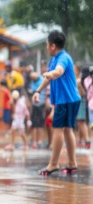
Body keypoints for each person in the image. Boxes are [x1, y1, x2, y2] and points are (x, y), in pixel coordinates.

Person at [32, 31, 81, 176]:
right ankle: (72, 163)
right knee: (67, 129)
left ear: (52, 46)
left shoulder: (63, 58)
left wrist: (52, 74)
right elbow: (49, 77)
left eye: (47, 44)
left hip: (65, 100)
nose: (47, 47)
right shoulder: (54, 59)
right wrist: (38, 91)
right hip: (71, 99)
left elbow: (58, 71)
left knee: (59, 129)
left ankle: (53, 164)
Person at [30, 72, 46, 149]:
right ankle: (34, 141)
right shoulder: (32, 83)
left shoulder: (42, 80)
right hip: (34, 105)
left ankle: (40, 140)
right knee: (34, 124)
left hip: (41, 104)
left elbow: (46, 93)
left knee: (40, 124)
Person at [76, 67, 90, 149]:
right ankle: (81, 140)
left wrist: (79, 86)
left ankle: (87, 140)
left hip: (81, 101)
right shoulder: (82, 79)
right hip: (80, 101)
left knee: (81, 121)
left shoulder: (80, 80)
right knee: (80, 122)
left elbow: (83, 93)